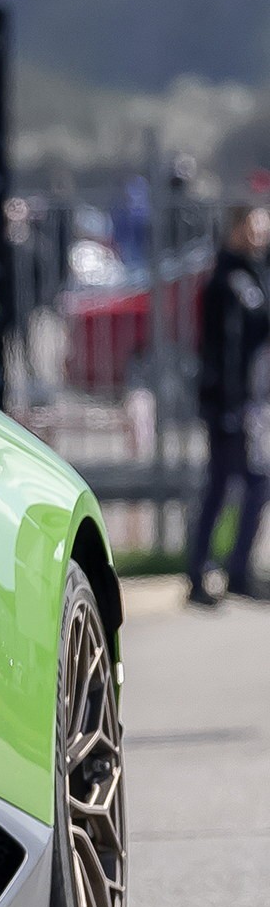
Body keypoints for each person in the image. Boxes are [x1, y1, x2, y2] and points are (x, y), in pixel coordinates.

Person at [188, 202, 270, 607]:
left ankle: (234, 569)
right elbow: (223, 352)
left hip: (248, 404)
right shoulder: (226, 282)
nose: (261, 235)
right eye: (255, 227)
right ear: (236, 228)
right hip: (229, 405)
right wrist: (228, 405)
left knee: (249, 483)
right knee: (228, 485)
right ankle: (203, 571)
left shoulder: (254, 276)